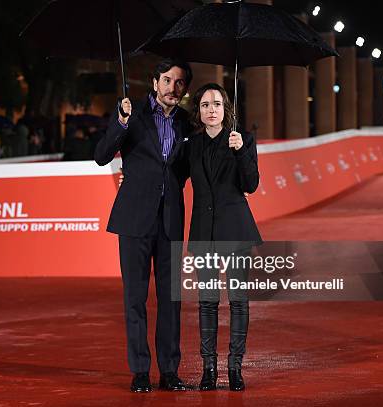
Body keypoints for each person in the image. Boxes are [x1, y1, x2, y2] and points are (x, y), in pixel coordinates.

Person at [94, 58, 193, 393]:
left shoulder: (186, 122)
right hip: (134, 218)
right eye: (167, 80)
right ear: (155, 83)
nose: (172, 88)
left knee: (171, 300)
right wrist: (121, 122)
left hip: (171, 220)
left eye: (179, 83)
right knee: (135, 298)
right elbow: (101, 154)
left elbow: (187, 168)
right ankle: (139, 371)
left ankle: (169, 371)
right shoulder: (131, 112)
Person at [183, 83, 262, 392]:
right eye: (205, 105)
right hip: (204, 232)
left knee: (239, 303)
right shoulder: (192, 144)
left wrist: (241, 150)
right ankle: (209, 369)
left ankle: (235, 368)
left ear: (226, 108)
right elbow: (171, 175)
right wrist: (132, 174)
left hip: (236, 231)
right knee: (207, 303)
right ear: (199, 111)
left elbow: (251, 184)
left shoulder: (243, 140)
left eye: (216, 103)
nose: (211, 109)